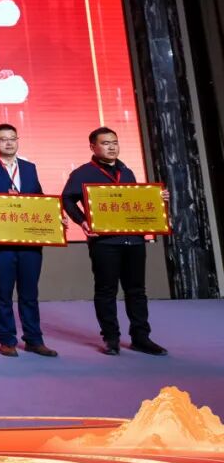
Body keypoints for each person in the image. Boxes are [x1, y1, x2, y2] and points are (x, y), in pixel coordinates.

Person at [61, 127, 169, 356]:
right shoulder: (82, 173)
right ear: (93, 147)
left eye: (115, 142)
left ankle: (141, 337)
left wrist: (157, 199)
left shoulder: (126, 171)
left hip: (134, 240)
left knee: (137, 291)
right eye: (105, 143)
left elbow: (135, 202)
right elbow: (67, 199)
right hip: (105, 243)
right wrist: (82, 221)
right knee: (106, 290)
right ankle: (111, 338)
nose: (112, 147)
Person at [0, 124, 60, 358]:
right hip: (2, 240)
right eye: (3, 139)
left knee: (29, 292)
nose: (9, 143)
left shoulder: (29, 168)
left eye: (13, 138)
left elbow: (39, 198)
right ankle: (7, 340)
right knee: (3, 292)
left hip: (30, 239)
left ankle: (34, 339)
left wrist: (54, 217)